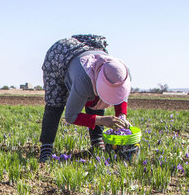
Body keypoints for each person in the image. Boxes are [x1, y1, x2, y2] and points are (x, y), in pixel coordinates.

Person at [38, 34, 132, 162]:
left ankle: (97, 142)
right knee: (55, 103)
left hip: (88, 53)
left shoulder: (122, 72)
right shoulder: (83, 80)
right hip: (60, 57)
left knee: (97, 101)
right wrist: (104, 120)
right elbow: (71, 116)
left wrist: (122, 115)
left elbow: (120, 96)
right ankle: (46, 147)